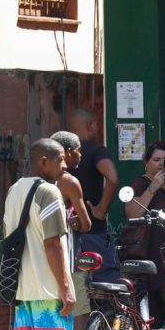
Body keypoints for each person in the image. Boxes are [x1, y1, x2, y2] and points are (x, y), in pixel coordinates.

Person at [5, 139, 77, 330]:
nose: (65, 165)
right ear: (43, 161)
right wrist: (65, 286)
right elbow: (52, 244)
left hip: (22, 285)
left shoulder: (14, 190)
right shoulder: (49, 191)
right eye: (60, 159)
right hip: (47, 284)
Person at [123, 141, 165, 326]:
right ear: (146, 162)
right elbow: (131, 213)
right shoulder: (141, 182)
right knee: (150, 301)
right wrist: (153, 187)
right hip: (150, 250)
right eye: (156, 160)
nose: (160, 164)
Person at [49, 131, 92, 330]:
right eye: (77, 150)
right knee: (79, 321)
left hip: (42, 264)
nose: (80, 155)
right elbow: (86, 224)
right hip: (68, 261)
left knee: (49, 323)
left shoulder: (33, 182)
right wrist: (76, 221)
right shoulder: (69, 182)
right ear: (65, 152)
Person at [68, 108, 120, 282]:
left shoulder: (58, 156)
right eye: (97, 124)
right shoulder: (95, 150)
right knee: (103, 289)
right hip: (93, 233)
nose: (98, 128)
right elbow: (112, 178)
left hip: (65, 236)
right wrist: (101, 209)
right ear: (90, 125)